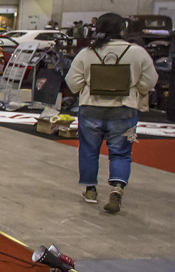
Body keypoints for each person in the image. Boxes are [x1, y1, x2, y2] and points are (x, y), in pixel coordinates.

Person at [65, 12, 158, 215]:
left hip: (90, 110)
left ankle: (90, 190)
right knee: (122, 153)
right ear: (122, 30)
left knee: (89, 150)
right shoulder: (138, 52)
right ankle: (117, 188)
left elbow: (72, 83)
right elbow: (150, 81)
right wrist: (133, 86)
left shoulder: (87, 53)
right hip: (124, 112)